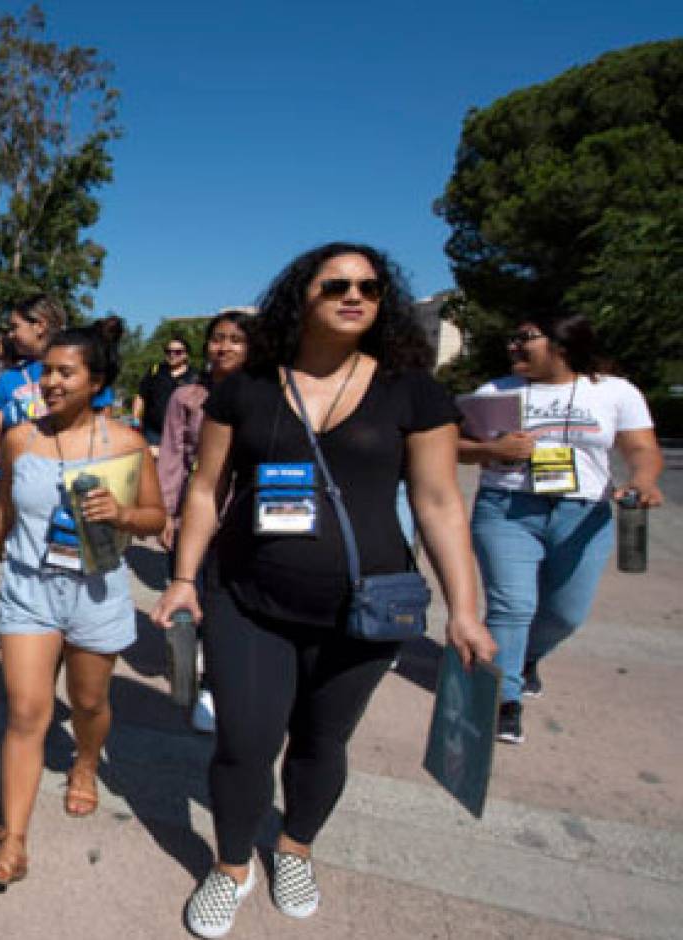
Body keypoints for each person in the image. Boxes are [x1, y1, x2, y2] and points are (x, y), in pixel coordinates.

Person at [151, 243, 496, 938]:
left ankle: (296, 847)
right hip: (247, 600)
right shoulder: (245, 386)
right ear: (299, 297)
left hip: (368, 610)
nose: (354, 295)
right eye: (335, 284)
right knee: (245, 742)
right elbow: (206, 489)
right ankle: (229, 866)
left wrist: (465, 610)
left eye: (369, 287)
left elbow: (437, 503)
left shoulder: (412, 390)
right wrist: (185, 578)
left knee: (320, 742)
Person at [0, 320, 164, 890]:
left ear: (96, 380)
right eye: (46, 371)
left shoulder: (125, 442)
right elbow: (3, 509)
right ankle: (15, 841)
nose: (50, 382)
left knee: (88, 701)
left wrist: (124, 516)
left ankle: (83, 762)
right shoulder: (20, 439)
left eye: (64, 372)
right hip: (29, 589)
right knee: (27, 712)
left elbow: (158, 519)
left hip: (96, 589)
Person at [458, 312, 663, 744]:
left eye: (524, 338)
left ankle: (527, 657)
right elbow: (456, 447)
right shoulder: (495, 391)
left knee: (566, 614)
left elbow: (641, 447)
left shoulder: (613, 391)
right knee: (511, 606)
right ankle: (504, 699)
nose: (513, 345)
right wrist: (490, 449)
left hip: (583, 514)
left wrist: (642, 481)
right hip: (507, 508)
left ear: (563, 344)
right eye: (512, 338)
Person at [156, 312, 253, 733]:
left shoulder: (267, 394)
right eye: (217, 339)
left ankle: (215, 685)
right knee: (186, 590)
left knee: (227, 603)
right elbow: (173, 456)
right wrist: (165, 512)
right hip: (194, 511)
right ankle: (188, 669)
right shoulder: (187, 397)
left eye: (235, 339)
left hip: (246, 516)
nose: (224, 347)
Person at [0, 295, 115, 515]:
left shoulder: (83, 372)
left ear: (40, 326)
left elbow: (104, 431)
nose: (11, 334)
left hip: (70, 487)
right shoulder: (9, 379)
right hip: (15, 488)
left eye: (15, 327)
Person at [132, 338, 199, 447]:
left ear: (186, 354)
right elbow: (140, 396)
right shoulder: (155, 371)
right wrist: (135, 419)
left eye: (177, 352)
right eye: (169, 351)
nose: (172, 355)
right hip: (153, 433)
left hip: (181, 435)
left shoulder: (195, 377)